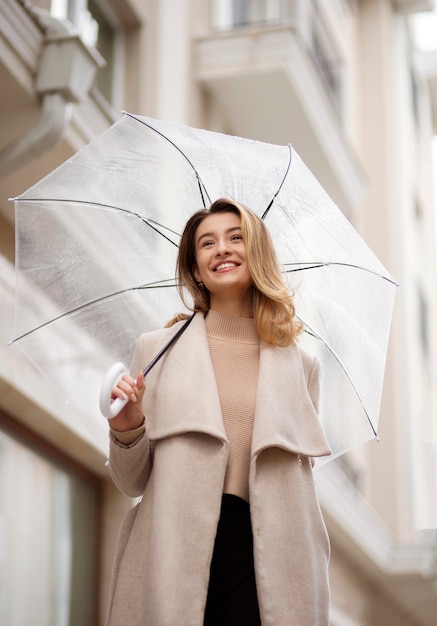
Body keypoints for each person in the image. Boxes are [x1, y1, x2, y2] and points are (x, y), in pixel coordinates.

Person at [105, 198, 331, 626]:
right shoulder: (156, 350)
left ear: (258, 254)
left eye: (236, 237)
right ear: (195, 267)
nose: (221, 249)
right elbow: (130, 480)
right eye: (207, 243)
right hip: (174, 548)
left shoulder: (302, 365)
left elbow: (300, 482)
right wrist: (126, 426)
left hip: (269, 558)